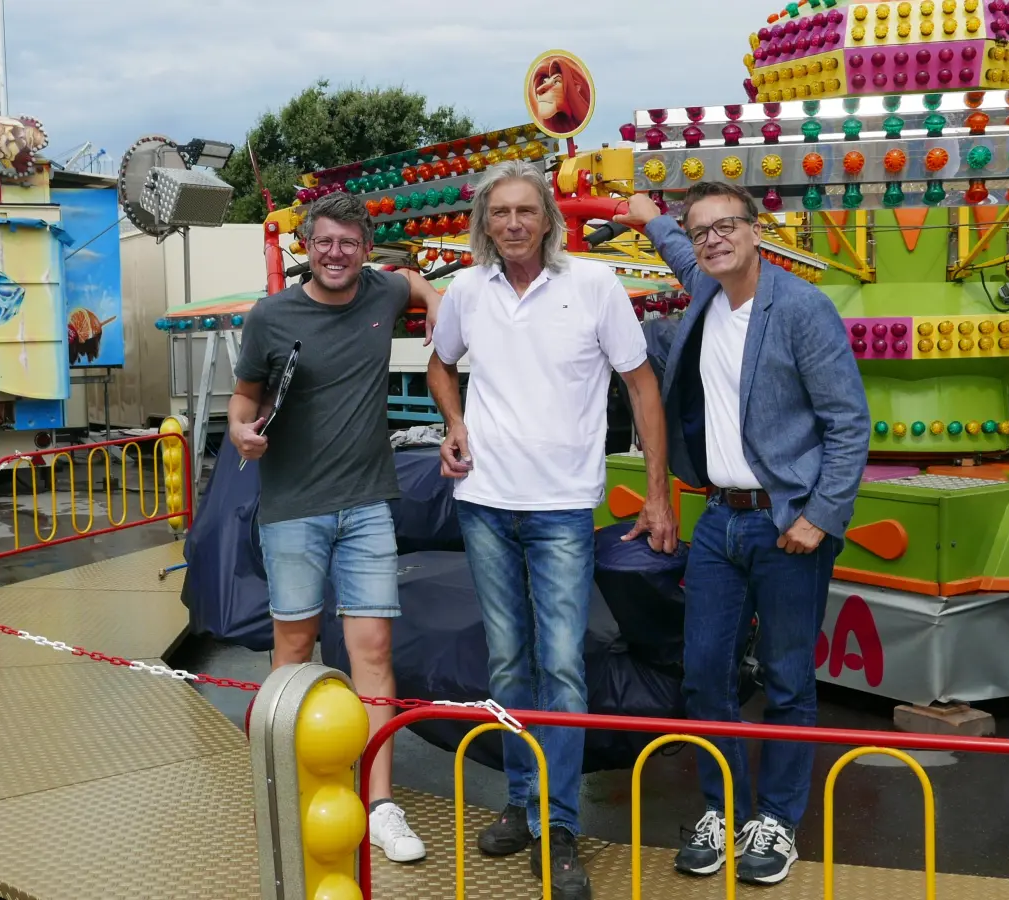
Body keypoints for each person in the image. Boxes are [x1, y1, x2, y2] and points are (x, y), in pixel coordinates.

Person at [426, 160, 677, 900]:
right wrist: (454, 422)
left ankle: (559, 826)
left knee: (562, 668)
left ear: (548, 219)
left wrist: (656, 496)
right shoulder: (469, 292)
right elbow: (442, 365)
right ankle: (523, 804)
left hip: (564, 507)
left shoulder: (593, 287)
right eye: (499, 212)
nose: (512, 224)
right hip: (486, 503)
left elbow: (642, 386)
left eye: (525, 211)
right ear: (484, 222)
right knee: (508, 665)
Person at [612, 184, 869, 885]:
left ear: (757, 232)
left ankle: (777, 822)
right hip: (720, 518)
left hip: (786, 521)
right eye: (701, 231)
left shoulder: (801, 310)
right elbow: (674, 248)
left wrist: (820, 515)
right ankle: (726, 810)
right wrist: (648, 216)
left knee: (787, 680)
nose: (712, 239)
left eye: (727, 226)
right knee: (704, 675)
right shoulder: (703, 289)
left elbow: (850, 424)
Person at [228, 191, 442, 865]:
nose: (336, 253)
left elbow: (413, 279)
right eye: (324, 241)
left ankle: (380, 804)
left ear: (364, 248)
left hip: (368, 504)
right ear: (308, 247)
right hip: (292, 505)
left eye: (349, 242)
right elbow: (244, 403)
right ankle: (284, 786)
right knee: (292, 649)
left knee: (373, 652)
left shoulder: (381, 293)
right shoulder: (270, 316)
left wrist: (434, 301)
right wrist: (240, 433)